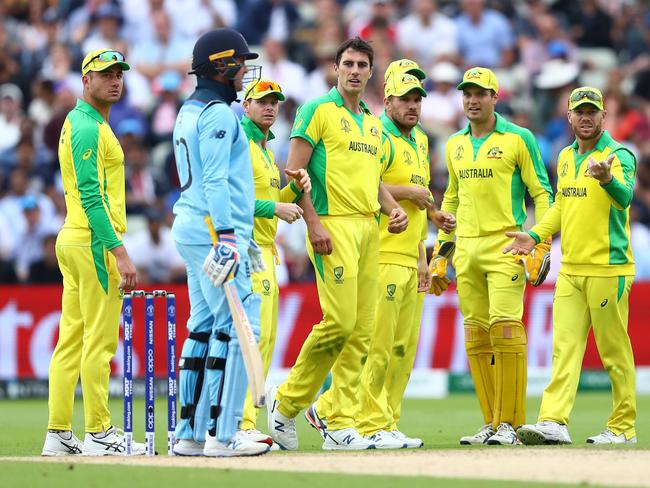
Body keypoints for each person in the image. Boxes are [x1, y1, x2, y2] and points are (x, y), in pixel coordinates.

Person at [266, 37, 408, 451]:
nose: (355, 70)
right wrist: (312, 223)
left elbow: (374, 177)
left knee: (363, 331)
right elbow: (294, 171)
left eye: (363, 64)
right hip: (332, 224)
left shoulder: (371, 120)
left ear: (370, 71)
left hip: (368, 227)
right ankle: (287, 402)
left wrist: (391, 208)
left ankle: (338, 419)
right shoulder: (317, 111)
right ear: (335, 67)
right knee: (341, 322)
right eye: (348, 63)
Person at [508, 87, 638, 445]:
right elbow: (561, 207)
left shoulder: (618, 154)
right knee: (563, 348)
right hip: (571, 270)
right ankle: (553, 420)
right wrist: (533, 237)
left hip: (608, 270)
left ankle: (623, 426)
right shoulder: (565, 156)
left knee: (614, 352)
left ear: (603, 116)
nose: (585, 117)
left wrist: (607, 179)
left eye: (592, 111)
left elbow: (626, 198)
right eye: (579, 112)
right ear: (568, 116)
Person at [433, 67, 553, 445]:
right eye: (467, 93)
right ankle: (491, 422)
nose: (472, 99)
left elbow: (543, 193)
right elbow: (450, 199)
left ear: (495, 97)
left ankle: (511, 425)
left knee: (505, 330)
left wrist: (540, 241)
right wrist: (441, 251)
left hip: (506, 246)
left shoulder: (519, 138)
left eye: (480, 93)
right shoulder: (454, 144)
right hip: (466, 249)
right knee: (476, 337)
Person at [170, 28, 270, 458]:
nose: (246, 70)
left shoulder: (188, 110)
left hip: (193, 226)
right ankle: (223, 433)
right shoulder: (218, 113)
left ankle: (190, 434)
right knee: (238, 324)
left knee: (204, 325)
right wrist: (230, 237)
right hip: (214, 230)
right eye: (240, 63)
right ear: (221, 66)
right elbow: (214, 180)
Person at [42, 48, 144, 456]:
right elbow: (91, 196)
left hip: (76, 238)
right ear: (86, 81)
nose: (114, 80)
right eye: (105, 74)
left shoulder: (84, 122)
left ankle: (59, 433)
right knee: (98, 342)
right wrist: (119, 252)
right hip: (92, 242)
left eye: (119, 73)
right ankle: (100, 432)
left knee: (71, 340)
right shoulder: (87, 126)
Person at [352, 70, 454, 448]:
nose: (413, 106)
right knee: (378, 344)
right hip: (381, 251)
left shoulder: (422, 140)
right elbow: (364, 184)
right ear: (389, 100)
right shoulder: (377, 134)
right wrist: (409, 190)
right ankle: (366, 421)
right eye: (405, 99)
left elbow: (420, 200)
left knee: (402, 348)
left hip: (411, 255)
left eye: (417, 99)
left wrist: (429, 235)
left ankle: (387, 420)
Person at [237, 78, 311, 443]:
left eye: (274, 102)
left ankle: (247, 421)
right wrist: (275, 206)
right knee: (251, 342)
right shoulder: (241, 145)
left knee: (263, 342)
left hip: (265, 253)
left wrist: (294, 190)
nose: (269, 107)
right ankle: (242, 424)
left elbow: (273, 204)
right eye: (262, 101)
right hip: (246, 251)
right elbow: (230, 203)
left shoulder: (265, 150)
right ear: (246, 105)